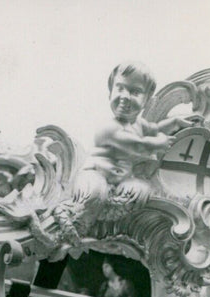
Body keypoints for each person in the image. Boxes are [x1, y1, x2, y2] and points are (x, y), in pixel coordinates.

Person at [72, 62, 198, 221]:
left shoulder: (139, 125)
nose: (125, 96)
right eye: (120, 88)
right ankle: (75, 222)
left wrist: (175, 123)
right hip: (94, 176)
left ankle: (116, 218)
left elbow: (155, 129)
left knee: (143, 190)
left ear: (147, 102)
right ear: (109, 94)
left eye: (135, 91)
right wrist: (160, 143)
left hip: (118, 183)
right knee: (95, 193)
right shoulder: (109, 127)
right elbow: (136, 144)